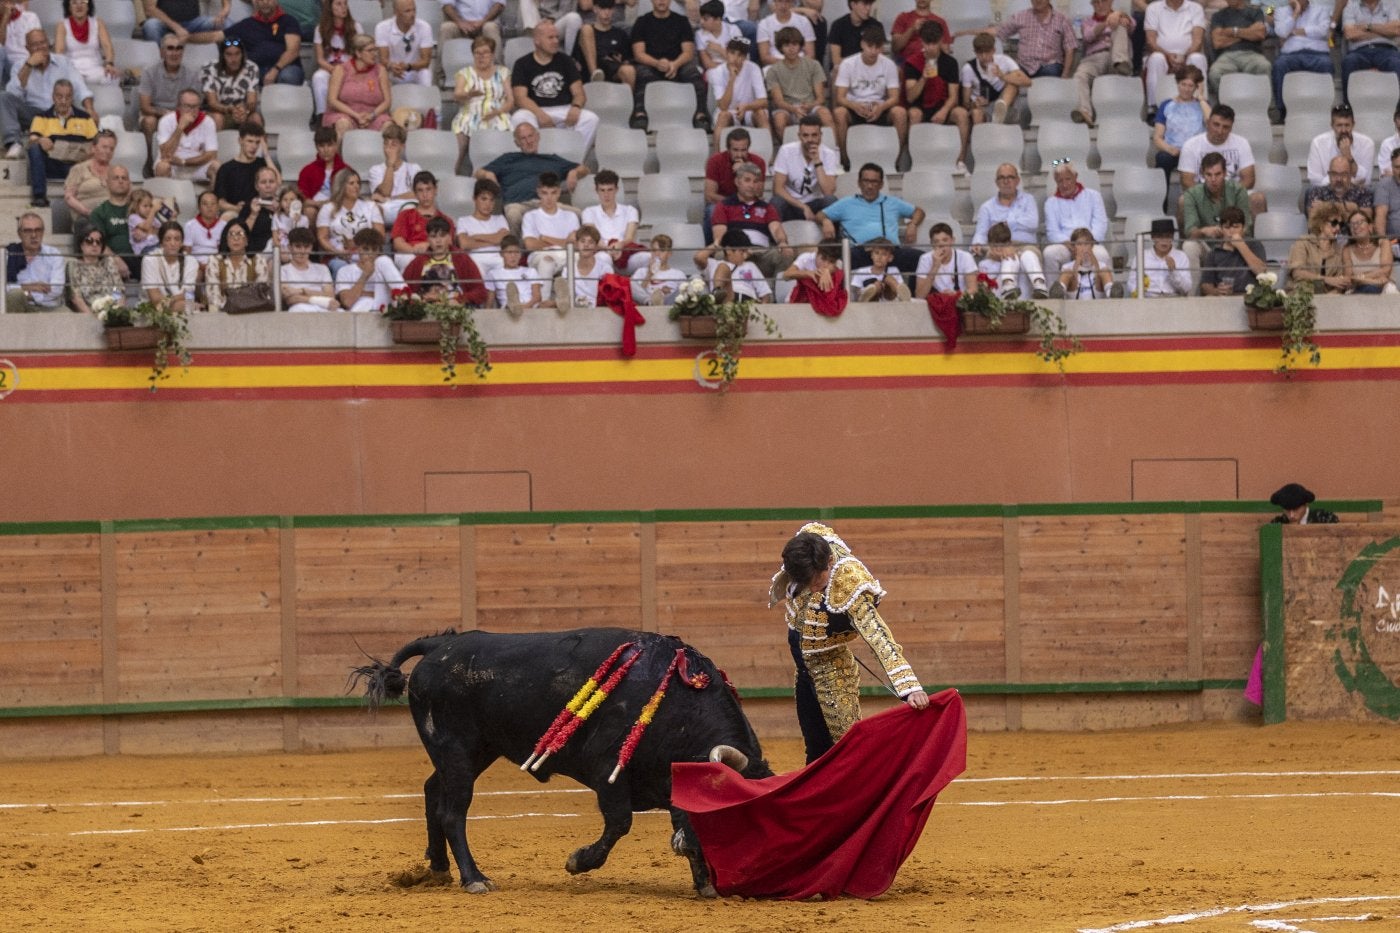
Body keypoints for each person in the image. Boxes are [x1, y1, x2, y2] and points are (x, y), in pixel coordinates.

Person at [772, 522, 929, 764]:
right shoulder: (805, 550)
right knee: (815, 750)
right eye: (806, 582)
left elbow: (878, 636)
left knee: (849, 749)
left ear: (830, 562)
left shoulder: (850, 582)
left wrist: (909, 687)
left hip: (833, 672)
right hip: (804, 671)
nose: (813, 588)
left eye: (818, 580)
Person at [473, 121, 587, 232]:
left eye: (531, 136)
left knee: (580, 214)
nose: (528, 141)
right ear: (517, 143)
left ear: (537, 136)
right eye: (523, 138)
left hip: (549, 204)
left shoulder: (552, 159)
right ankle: (518, 249)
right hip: (518, 204)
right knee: (513, 215)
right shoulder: (508, 159)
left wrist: (574, 172)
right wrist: (488, 174)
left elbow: (584, 169)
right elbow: (478, 173)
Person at [511, 20, 600, 153]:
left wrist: (576, 107)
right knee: (519, 117)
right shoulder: (522, 64)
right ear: (537, 41)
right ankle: (539, 158)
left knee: (591, 119)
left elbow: (579, 93)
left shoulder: (566, 61)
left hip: (564, 110)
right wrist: (540, 114)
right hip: (536, 110)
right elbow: (520, 98)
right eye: (550, 38)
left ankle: (573, 159)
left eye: (557, 37)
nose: (555, 41)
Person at [2, 29, 93, 159]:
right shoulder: (19, 66)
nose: (40, 47)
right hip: (34, 116)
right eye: (35, 44)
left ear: (48, 43)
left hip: (60, 113)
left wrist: (90, 108)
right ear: (27, 48)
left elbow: (80, 87)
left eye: (43, 43)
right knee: (3, 97)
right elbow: (13, 97)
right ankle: (13, 144)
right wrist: (28, 66)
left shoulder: (63, 62)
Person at [817, 162, 923, 272]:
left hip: (890, 252)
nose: (869, 186)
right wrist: (825, 221)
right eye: (866, 181)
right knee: (837, 261)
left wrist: (913, 224)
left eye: (874, 182)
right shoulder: (846, 203)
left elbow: (919, 212)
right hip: (861, 252)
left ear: (881, 184)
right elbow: (820, 214)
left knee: (923, 260)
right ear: (859, 183)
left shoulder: (892, 202)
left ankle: (910, 289)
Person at [832, 24, 906, 168]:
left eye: (877, 47)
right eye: (869, 46)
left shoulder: (889, 65)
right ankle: (845, 161)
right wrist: (854, 106)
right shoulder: (848, 64)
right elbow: (840, 97)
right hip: (856, 107)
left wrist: (881, 107)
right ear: (862, 44)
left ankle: (894, 161)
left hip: (880, 107)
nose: (873, 51)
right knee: (839, 113)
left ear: (882, 48)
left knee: (900, 113)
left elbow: (894, 97)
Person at [971, 163, 1049, 298]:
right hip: (998, 246)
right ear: (996, 182)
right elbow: (981, 232)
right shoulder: (987, 207)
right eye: (1002, 178)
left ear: (1017, 180)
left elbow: (1032, 223)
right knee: (1004, 253)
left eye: (1010, 177)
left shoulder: (1028, 200)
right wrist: (977, 244)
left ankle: (1039, 285)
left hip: (1026, 245)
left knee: (1028, 255)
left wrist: (1005, 223)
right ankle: (1007, 287)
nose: (1006, 181)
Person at [630, 0, 708, 132]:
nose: (661, 1)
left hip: (677, 64)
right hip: (651, 63)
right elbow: (638, 54)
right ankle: (640, 114)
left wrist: (675, 64)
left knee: (693, 73)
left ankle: (700, 114)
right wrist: (657, 63)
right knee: (642, 74)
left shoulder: (682, 21)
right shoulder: (642, 22)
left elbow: (688, 52)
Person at [904, 21, 970, 174]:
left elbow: (953, 96)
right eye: (927, 43)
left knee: (961, 114)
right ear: (922, 41)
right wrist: (923, 78)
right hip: (921, 107)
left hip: (943, 106)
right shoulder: (913, 63)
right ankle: (915, 161)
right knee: (914, 114)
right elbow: (910, 97)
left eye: (934, 43)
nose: (931, 48)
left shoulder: (950, 63)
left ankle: (960, 161)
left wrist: (944, 111)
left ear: (941, 41)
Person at [708, 161, 792, 276]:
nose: (752, 185)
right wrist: (741, 250)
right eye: (747, 180)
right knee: (720, 255)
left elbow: (776, 229)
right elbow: (720, 236)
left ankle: (778, 292)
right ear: (737, 182)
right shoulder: (723, 206)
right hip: (735, 250)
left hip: (761, 252)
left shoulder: (767, 208)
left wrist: (782, 242)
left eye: (755, 181)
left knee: (786, 253)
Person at [25, 78, 97, 209]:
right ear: (53, 97)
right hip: (53, 166)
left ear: (72, 98)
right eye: (59, 96)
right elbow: (32, 139)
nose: (63, 101)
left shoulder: (85, 118)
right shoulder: (42, 117)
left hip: (76, 166)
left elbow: (95, 143)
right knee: (35, 147)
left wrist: (89, 152)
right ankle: (39, 196)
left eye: (67, 97)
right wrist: (40, 140)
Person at [138, 35, 200, 171]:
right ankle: (149, 162)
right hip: (156, 113)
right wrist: (165, 113)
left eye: (179, 49)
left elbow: (194, 104)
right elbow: (145, 106)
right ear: (162, 52)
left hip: (183, 114)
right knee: (149, 122)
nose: (175, 53)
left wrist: (178, 116)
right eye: (170, 48)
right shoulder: (149, 72)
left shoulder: (192, 74)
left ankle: (186, 163)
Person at [452, 35, 513, 170]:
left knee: (505, 132)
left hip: (497, 114)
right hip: (469, 115)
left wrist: (497, 112)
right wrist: (469, 94)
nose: (481, 56)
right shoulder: (465, 73)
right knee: (460, 137)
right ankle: (452, 174)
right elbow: (457, 94)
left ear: (492, 55)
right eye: (477, 53)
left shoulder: (503, 72)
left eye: (485, 53)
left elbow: (510, 101)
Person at [1042, 160, 1111, 276]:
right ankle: (1054, 293)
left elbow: (1101, 225)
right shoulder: (1051, 203)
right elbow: (1052, 233)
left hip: (1091, 243)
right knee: (1049, 253)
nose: (1064, 185)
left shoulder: (1093, 196)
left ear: (1075, 177)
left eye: (1068, 179)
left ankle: (1105, 292)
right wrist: (1073, 245)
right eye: (1060, 181)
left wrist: (1085, 244)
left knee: (1102, 255)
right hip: (1066, 245)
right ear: (1056, 182)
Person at [1183, 152, 1253, 267]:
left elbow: (1247, 227)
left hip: (1234, 246)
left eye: (1218, 174)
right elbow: (1190, 232)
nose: (1213, 179)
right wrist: (1203, 231)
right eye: (1209, 175)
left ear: (1225, 173)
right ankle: (1194, 286)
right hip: (1207, 247)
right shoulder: (1192, 194)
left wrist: (1229, 234)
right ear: (1202, 174)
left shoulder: (1238, 190)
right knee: (1189, 245)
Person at [766, 25, 833, 143]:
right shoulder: (773, 70)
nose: (791, 49)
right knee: (779, 118)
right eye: (787, 45)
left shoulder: (813, 65)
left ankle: (832, 150)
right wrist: (794, 109)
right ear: (781, 47)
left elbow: (821, 98)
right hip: (787, 108)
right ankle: (789, 151)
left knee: (825, 113)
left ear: (800, 45)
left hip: (810, 106)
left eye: (795, 44)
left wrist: (809, 106)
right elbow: (778, 101)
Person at [1152, 65, 1208, 202]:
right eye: (1183, 84)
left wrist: (1201, 98)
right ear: (1178, 83)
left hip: (1198, 152)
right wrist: (1169, 149)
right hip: (1174, 151)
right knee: (1162, 158)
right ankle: (1161, 206)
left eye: (1191, 86)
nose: (1187, 89)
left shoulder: (1203, 105)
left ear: (1196, 87)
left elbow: (1211, 122)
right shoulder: (1167, 105)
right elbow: (1157, 137)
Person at [402, 215, 489, 305]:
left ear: (449, 237)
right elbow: (404, 291)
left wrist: (459, 300)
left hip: (454, 309)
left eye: (442, 235)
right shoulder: (418, 262)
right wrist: (418, 300)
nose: (438, 240)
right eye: (433, 236)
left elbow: (481, 292)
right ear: (428, 239)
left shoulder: (462, 258)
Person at [1073, 0, 1135, 126]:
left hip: (1116, 55)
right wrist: (1106, 22)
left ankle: (1120, 62)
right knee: (1079, 75)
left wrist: (1119, 15)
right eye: (1096, 2)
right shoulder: (1087, 21)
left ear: (1111, 1)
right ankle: (1085, 112)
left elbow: (1133, 25)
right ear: (1092, 5)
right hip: (1095, 58)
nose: (1100, 5)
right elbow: (1088, 36)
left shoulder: (1121, 16)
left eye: (1103, 1)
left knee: (1121, 24)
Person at [1270, 0, 1332, 123]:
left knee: (1326, 64)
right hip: (1291, 54)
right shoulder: (1278, 10)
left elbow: (1323, 31)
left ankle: (1325, 110)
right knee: (1279, 65)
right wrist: (1296, 12)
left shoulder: (1321, 9)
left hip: (1317, 53)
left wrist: (1294, 32)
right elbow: (1281, 32)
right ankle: (1282, 111)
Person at [771, 113, 839, 223]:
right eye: (805, 135)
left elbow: (828, 191)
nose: (810, 139)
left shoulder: (829, 154)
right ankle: (775, 239)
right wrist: (803, 207)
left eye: (814, 135)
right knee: (776, 202)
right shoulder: (786, 150)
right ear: (799, 136)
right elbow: (777, 189)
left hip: (815, 204)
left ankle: (832, 238)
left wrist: (817, 161)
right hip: (791, 204)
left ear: (820, 135)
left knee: (831, 201)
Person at [1143, 0, 1208, 114]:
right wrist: (1167, 55)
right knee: (1156, 59)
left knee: (1198, 58)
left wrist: (1185, 56)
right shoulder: (1153, 8)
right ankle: (1153, 108)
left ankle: (1201, 104)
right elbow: (1151, 41)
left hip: (1187, 56)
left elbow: (1197, 41)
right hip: (1162, 55)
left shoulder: (1196, 8)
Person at [703, 127, 766, 243]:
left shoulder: (758, 162)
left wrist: (743, 170)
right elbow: (710, 195)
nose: (739, 154)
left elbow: (758, 193)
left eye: (743, 150)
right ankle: (712, 249)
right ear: (728, 149)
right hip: (724, 204)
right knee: (712, 209)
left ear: (748, 148)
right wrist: (733, 203)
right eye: (735, 150)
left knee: (767, 209)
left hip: (750, 204)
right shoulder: (715, 161)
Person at [521, 171, 580, 293]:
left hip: (566, 255)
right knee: (546, 261)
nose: (549, 198)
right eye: (545, 193)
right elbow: (530, 245)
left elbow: (575, 245)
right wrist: (563, 242)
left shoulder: (571, 216)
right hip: (541, 255)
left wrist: (545, 238)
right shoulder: (530, 216)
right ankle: (544, 302)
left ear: (559, 192)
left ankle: (572, 300)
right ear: (538, 192)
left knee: (580, 258)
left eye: (553, 193)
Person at [317, 167, 384, 274]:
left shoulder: (370, 206)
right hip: (338, 257)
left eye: (358, 183)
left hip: (367, 255)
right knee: (341, 267)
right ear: (341, 186)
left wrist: (359, 246)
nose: (356, 186)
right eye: (351, 183)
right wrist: (338, 252)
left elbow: (380, 235)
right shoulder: (327, 208)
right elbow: (322, 237)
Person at [222, 0, 305, 87]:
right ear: (255, 1)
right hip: (258, 69)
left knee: (288, 76)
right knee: (240, 75)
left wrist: (275, 70)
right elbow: (219, 35)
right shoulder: (247, 24)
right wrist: (206, 33)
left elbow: (293, 51)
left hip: (286, 68)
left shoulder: (289, 21)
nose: (265, 2)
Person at [323, 33, 392, 137]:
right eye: (370, 50)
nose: (375, 54)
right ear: (358, 53)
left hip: (373, 116)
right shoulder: (341, 70)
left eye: (375, 50)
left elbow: (387, 102)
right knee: (343, 124)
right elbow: (332, 100)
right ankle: (339, 153)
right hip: (345, 114)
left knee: (388, 126)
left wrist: (371, 115)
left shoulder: (380, 70)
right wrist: (356, 115)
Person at [987, 0, 1077, 79]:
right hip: (1023, 65)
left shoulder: (1062, 19)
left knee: (1051, 73)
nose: (1037, 0)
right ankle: (1004, 99)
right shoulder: (1021, 16)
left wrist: (1065, 74)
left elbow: (1070, 47)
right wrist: (975, 31)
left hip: (1049, 64)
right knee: (1010, 76)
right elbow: (1000, 31)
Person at [707, 37, 769, 151]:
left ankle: (768, 157)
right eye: (732, 53)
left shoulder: (753, 68)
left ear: (745, 57)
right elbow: (723, 106)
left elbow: (763, 101)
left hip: (748, 110)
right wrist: (732, 79)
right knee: (723, 116)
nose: (735, 58)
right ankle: (716, 156)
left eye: (740, 55)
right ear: (726, 52)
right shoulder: (717, 72)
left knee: (761, 114)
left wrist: (746, 107)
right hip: (728, 111)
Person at [580, 169, 644, 274]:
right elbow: (594, 238)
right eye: (602, 190)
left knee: (647, 257)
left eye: (610, 190)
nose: (606, 194)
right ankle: (610, 288)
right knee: (604, 258)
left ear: (616, 189)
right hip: (602, 252)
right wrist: (609, 249)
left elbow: (629, 238)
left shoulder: (630, 210)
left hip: (625, 253)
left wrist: (620, 245)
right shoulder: (589, 212)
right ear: (597, 191)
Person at [961, 31, 1028, 130]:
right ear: (975, 52)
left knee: (1012, 84)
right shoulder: (968, 69)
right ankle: (982, 140)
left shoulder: (1004, 60)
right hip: (982, 106)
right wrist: (974, 104)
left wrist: (1002, 76)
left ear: (993, 50)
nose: (984, 57)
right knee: (976, 113)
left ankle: (999, 113)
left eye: (987, 52)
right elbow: (965, 103)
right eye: (980, 53)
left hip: (1003, 101)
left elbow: (1027, 81)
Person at [203, 219, 270, 313]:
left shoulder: (258, 260)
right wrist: (231, 307)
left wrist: (243, 306)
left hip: (251, 312)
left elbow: (261, 293)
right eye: (231, 234)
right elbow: (213, 295)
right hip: (224, 313)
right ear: (226, 240)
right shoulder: (215, 261)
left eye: (240, 234)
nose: (236, 238)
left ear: (247, 240)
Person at [153, 87, 218, 183]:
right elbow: (165, 153)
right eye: (187, 106)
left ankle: (210, 198)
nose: (192, 110)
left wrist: (184, 162)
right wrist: (180, 128)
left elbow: (211, 155)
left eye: (195, 106)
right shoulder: (166, 121)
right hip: (173, 166)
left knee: (217, 166)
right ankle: (164, 197)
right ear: (178, 106)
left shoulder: (208, 122)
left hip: (197, 166)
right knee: (162, 167)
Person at [1206, 0, 1268, 100]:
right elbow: (1217, 42)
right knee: (1215, 72)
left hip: (1252, 53)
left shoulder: (1259, 10)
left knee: (1264, 66)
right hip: (1227, 55)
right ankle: (1226, 105)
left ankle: (1267, 108)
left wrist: (1233, 31)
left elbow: (1260, 33)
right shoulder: (1219, 15)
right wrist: (1248, 33)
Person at [1198, 206, 1266, 296]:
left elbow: (1261, 271)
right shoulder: (1214, 253)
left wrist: (1241, 245)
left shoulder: (1254, 244)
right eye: (1227, 227)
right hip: (1224, 299)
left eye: (1236, 227)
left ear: (1243, 228)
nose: (1231, 231)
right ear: (1221, 229)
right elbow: (1205, 285)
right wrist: (1216, 291)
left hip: (1251, 297)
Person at [4, 212, 65, 311]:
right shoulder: (9, 254)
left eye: (38, 230)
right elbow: (3, 288)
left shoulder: (54, 254)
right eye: (28, 231)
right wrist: (27, 287)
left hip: (50, 307)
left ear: (43, 232)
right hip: (21, 304)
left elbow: (56, 289)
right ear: (19, 234)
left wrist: (28, 294)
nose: (33, 235)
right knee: (15, 295)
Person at [63, 127, 117, 237]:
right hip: (86, 218)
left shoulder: (117, 172)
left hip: (112, 218)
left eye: (111, 149)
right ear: (93, 148)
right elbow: (69, 197)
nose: (108, 151)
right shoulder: (79, 169)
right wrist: (89, 212)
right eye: (104, 147)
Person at [335, 227, 405, 311]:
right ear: (357, 249)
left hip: (383, 305)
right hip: (360, 309)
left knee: (384, 260)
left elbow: (392, 297)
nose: (370, 254)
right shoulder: (345, 271)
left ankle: (407, 299)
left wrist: (362, 293)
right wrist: (365, 275)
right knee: (367, 302)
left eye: (374, 249)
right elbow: (347, 302)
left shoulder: (385, 266)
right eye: (366, 249)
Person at [214, 122, 275, 216]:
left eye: (257, 142)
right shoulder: (226, 169)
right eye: (250, 141)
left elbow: (277, 182)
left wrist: (266, 154)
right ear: (240, 140)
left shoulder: (262, 164)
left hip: (262, 210)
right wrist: (237, 208)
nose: (254, 146)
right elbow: (220, 202)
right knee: (227, 216)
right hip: (237, 212)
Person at [391, 170, 450, 268]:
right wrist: (414, 251)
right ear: (415, 193)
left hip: (436, 254)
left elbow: (449, 243)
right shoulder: (405, 215)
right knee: (409, 260)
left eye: (428, 189)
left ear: (435, 190)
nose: (425, 195)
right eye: (420, 190)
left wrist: (428, 247)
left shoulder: (445, 219)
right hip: (409, 254)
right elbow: (397, 243)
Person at [311, 0, 360, 117]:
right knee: (318, 77)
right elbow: (320, 59)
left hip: (350, 67)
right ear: (330, 7)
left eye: (345, 4)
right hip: (329, 68)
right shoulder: (320, 29)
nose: (343, 7)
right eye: (338, 4)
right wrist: (334, 70)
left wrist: (346, 69)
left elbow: (360, 55)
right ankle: (322, 115)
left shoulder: (356, 27)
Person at [1307, 105, 1376, 188]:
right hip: (1326, 191)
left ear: (1353, 125)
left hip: (1355, 193)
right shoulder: (1318, 143)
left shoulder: (1367, 143)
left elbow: (1366, 181)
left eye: (1347, 125)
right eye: (1339, 125)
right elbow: (1315, 180)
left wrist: (1349, 156)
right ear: (1332, 125)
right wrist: (1343, 180)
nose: (1343, 130)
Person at [1286, 203, 1349, 293]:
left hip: (1328, 298)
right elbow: (1298, 273)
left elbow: (1339, 282)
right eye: (1334, 223)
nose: (1338, 228)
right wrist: (1325, 279)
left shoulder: (1338, 249)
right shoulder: (1304, 242)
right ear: (1321, 223)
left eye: (1341, 224)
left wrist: (1331, 297)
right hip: (1302, 293)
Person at [1341, 0, 1400, 96]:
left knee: (1396, 63)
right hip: (1359, 51)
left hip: (1387, 50)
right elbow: (1350, 34)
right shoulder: (1350, 7)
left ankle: (1396, 106)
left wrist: (1368, 27)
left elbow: (1396, 30)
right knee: (1349, 61)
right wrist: (1383, 31)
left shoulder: (1390, 6)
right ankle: (1349, 106)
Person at [54, 0, 118, 87]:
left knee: (112, 76)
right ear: (69, 7)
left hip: (95, 68)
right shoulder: (62, 25)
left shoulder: (98, 23)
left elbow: (107, 46)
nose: (79, 6)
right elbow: (59, 51)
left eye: (83, 2)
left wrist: (109, 64)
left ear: (89, 6)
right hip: (72, 69)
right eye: (74, 3)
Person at [366, 122, 420, 225]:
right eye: (386, 143)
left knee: (412, 208)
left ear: (402, 146)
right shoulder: (375, 170)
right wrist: (390, 165)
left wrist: (392, 198)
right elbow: (384, 192)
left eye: (394, 144)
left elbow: (418, 194)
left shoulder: (414, 168)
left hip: (408, 206)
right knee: (373, 210)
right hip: (386, 209)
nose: (388, 148)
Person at [456, 177, 510, 278]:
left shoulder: (500, 219)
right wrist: (494, 239)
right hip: (476, 260)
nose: (488, 204)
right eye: (483, 199)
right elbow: (465, 244)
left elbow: (503, 240)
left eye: (491, 200)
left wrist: (476, 236)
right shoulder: (463, 221)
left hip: (499, 260)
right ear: (474, 199)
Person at [65, 226, 125, 315]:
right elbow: (76, 297)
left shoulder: (108, 263)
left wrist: (116, 311)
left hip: (111, 311)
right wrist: (92, 317)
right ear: (81, 245)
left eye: (99, 242)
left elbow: (117, 289)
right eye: (89, 241)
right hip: (87, 313)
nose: (94, 245)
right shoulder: (74, 265)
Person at [140, 220, 198, 311]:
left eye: (177, 239)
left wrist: (171, 301)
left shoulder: (191, 261)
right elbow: (155, 299)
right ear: (161, 243)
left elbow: (187, 295)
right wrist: (177, 301)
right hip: (152, 311)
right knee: (188, 306)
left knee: (189, 307)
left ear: (182, 242)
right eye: (168, 239)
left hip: (180, 307)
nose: (173, 243)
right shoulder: (150, 260)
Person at [701, 228, 772, 302]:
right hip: (727, 300)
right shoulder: (714, 264)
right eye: (742, 251)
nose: (745, 255)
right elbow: (698, 258)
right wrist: (716, 244)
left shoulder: (750, 266)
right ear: (728, 250)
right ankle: (717, 291)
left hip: (748, 302)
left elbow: (765, 294)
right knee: (723, 267)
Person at [89, 163, 135, 274]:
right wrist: (116, 260)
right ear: (107, 182)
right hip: (112, 262)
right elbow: (99, 243)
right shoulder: (99, 212)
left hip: (142, 259)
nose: (120, 181)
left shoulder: (139, 208)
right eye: (116, 178)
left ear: (129, 183)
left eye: (124, 178)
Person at [375, 0, 433, 87]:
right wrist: (392, 66)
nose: (413, 14)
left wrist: (408, 66)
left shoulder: (424, 27)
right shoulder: (382, 27)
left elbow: (426, 61)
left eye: (414, 10)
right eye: (407, 11)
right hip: (392, 71)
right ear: (396, 12)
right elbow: (383, 59)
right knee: (381, 71)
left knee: (425, 73)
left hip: (414, 70)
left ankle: (426, 99)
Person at [555, 222, 612, 311]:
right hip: (575, 310)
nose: (586, 245)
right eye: (582, 241)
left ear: (596, 247)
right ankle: (562, 300)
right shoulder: (568, 270)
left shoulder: (605, 269)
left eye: (591, 242)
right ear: (577, 244)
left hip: (599, 310)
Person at [577, 0, 634, 89]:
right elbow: (576, 59)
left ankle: (629, 101)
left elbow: (627, 59)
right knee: (586, 28)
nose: (606, 13)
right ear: (595, 9)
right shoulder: (586, 31)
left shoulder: (620, 34)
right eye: (603, 9)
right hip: (591, 70)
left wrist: (620, 60)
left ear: (614, 10)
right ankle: (595, 76)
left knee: (629, 70)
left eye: (610, 9)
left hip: (612, 70)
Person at [1128, 218, 1191, 297]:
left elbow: (1187, 288)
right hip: (1148, 298)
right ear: (1153, 237)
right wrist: (1141, 295)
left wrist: (1174, 271)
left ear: (1172, 237)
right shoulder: (1142, 256)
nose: (1164, 241)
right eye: (1160, 237)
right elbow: (1131, 283)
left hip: (1173, 299)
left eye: (1168, 236)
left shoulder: (1181, 256)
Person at [914, 221, 979, 298]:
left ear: (952, 240)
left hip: (961, 300)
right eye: (936, 241)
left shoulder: (965, 257)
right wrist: (935, 267)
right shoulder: (925, 259)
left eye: (945, 240)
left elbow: (973, 289)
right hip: (939, 303)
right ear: (931, 244)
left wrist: (955, 295)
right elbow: (919, 295)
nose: (941, 245)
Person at [296, 125, 348, 221]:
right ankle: (313, 236)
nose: (326, 150)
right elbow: (301, 198)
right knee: (309, 211)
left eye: (329, 145)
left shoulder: (346, 170)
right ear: (316, 147)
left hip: (340, 207)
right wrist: (319, 204)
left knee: (351, 216)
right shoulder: (307, 170)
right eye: (322, 146)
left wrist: (333, 204)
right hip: (316, 206)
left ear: (336, 145)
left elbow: (350, 196)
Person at [280, 226, 338, 311]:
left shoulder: (322, 269)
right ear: (290, 247)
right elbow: (290, 298)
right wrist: (319, 299)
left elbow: (331, 295)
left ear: (311, 248)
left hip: (324, 308)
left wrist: (302, 291)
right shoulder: (283, 270)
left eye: (306, 246)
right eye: (298, 246)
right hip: (301, 308)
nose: (302, 251)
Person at [1052, 227, 1119, 299]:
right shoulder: (1067, 267)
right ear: (1074, 247)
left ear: (1092, 245)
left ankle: (1112, 294)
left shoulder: (1101, 265)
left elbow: (1097, 273)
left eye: (1086, 244)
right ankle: (1058, 293)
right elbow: (1074, 279)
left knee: (1104, 271)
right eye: (1079, 244)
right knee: (1067, 273)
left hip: (1096, 293)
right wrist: (1078, 262)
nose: (1083, 247)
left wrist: (1092, 258)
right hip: (1075, 294)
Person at [484, 233, 541, 314]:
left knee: (546, 304)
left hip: (530, 307)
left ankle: (559, 301)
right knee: (509, 306)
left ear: (521, 254)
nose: (513, 256)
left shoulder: (531, 271)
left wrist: (524, 307)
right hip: (508, 309)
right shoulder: (493, 274)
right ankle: (514, 302)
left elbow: (537, 297)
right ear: (501, 254)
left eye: (516, 252)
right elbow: (489, 303)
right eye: (509, 252)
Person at [1342, 207, 1395, 293]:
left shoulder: (1383, 243)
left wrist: (1362, 277)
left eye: (1360, 222)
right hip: (1357, 289)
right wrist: (1374, 280)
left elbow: (1385, 271)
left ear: (1370, 226)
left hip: (1383, 289)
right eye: (1352, 224)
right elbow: (1349, 279)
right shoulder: (1347, 249)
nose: (1355, 226)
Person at [1303, 154, 1374, 218]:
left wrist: (1324, 207)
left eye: (1344, 174)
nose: (1339, 179)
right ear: (1329, 174)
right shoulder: (1317, 192)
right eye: (1334, 174)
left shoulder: (1363, 193)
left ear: (1350, 175)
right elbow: (1314, 220)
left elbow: (1366, 219)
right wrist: (1349, 208)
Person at [235, 163, 281, 252]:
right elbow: (241, 235)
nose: (268, 185)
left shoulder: (284, 205)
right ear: (257, 186)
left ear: (277, 184)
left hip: (280, 252)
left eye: (271, 181)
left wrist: (279, 212)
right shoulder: (248, 207)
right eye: (263, 182)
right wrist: (253, 214)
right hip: (256, 253)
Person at [630, 232, 686, 305]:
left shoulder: (678, 274)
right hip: (646, 303)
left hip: (668, 304)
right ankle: (650, 302)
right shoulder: (641, 271)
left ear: (669, 254)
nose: (657, 254)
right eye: (654, 250)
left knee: (689, 285)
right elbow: (636, 294)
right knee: (630, 283)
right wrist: (649, 275)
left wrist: (668, 293)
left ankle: (657, 302)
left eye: (662, 251)